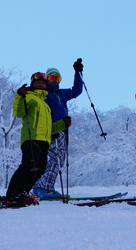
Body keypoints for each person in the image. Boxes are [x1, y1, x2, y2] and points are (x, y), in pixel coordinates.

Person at [31, 59, 85, 200]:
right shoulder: (44, 94)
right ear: (47, 79)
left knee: (59, 159)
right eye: (52, 78)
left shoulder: (62, 94)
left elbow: (77, 90)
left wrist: (78, 73)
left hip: (63, 131)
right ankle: (43, 188)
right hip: (52, 130)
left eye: (57, 78)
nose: (55, 81)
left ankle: (42, 187)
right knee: (54, 158)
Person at [0, 72, 52, 206]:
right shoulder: (29, 97)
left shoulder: (45, 104)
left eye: (43, 82)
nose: (41, 84)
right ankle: (11, 195)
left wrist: (63, 124)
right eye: (38, 82)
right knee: (28, 166)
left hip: (44, 141)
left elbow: (49, 126)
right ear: (32, 84)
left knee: (40, 169)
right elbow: (19, 112)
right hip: (31, 138)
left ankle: (23, 193)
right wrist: (20, 95)